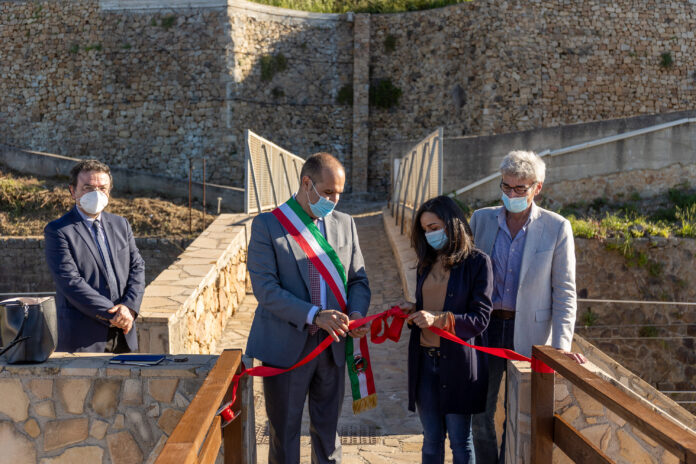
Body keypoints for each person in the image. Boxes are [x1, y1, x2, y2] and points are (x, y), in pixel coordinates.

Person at [245, 152, 371, 464]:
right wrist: (315, 315)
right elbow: (266, 290)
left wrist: (355, 314)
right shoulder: (268, 226)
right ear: (306, 183)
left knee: (328, 437)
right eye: (328, 192)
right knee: (285, 437)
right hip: (287, 346)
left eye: (340, 193)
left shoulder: (345, 224)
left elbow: (358, 280)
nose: (335, 200)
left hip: (333, 346)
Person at [469, 150, 586, 464]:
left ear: (538, 187)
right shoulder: (480, 219)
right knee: (479, 411)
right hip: (485, 328)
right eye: (506, 187)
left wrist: (560, 347)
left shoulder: (557, 227)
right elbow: (463, 275)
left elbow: (564, 293)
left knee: (517, 412)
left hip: (530, 333)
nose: (512, 194)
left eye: (520, 189)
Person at [398, 195, 493, 464]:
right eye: (426, 229)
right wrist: (412, 309)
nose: (430, 234)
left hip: (459, 366)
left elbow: (480, 318)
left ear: (453, 224)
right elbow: (429, 305)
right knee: (431, 440)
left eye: (435, 227)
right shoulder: (425, 264)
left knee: (461, 443)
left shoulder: (478, 262)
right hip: (424, 364)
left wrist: (437, 319)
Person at [44, 160, 145, 353]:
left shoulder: (120, 224)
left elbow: (137, 267)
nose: (96, 194)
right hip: (84, 339)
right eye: (88, 187)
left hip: (125, 334)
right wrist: (113, 314)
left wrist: (129, 307)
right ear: (73, 191)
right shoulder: (58, 231)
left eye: (102, 188)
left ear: (109, 192)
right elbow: (70, 282)